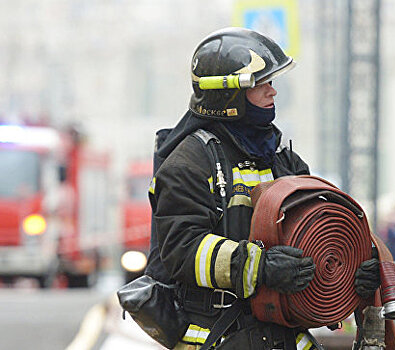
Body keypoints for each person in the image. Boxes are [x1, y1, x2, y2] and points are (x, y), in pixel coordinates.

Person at [146, 28, 382, 350]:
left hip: (284, 335)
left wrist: (347, 274)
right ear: (228, 94)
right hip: (217, 336)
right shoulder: (188, 163)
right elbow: (183, 250)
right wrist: (260, 267)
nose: (273, 92)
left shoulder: (284, 160)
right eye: (262, 83)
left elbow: (312, 238)